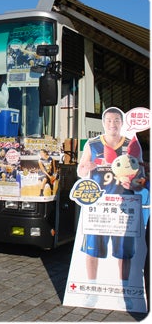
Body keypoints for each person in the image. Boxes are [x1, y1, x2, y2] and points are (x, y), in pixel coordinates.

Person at [77, 107, 145, 309]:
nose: (113, 124)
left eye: (117, 120)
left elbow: (142, 177)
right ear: (103, 123)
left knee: (124, 253)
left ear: (121, 123)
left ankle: (124, 293)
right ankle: (91, 290)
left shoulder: (132, 144)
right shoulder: (93, 144)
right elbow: (80, 170)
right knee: (92, 250)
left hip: (125, 206)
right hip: (99, 206)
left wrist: (134, 184)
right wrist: (85, 168)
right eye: (109, 120)